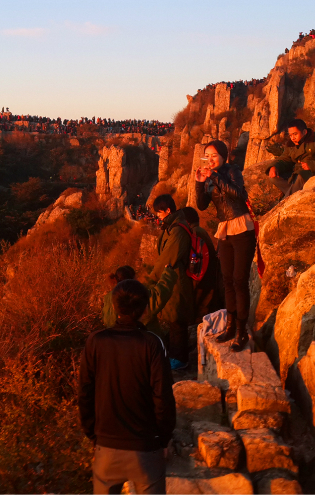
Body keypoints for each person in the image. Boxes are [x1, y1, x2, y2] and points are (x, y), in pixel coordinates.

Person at [79, 279, 176, 494]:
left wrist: (93, 435)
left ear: (114, 307)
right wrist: (164, 437)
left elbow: (85, 393)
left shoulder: (95, 341)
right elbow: (163, 396)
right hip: (146, 449)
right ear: (143, 310)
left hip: (106, 448)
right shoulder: (152, 343)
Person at [193, 141, 255, 351]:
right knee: (227, 280)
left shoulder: (232, 171)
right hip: (225, 230)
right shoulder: (210, 178)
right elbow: (201, 205)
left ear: (223, 156)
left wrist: (214, 176)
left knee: (240, 280)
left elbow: (239, 195)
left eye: (213, 155)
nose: (210, 159)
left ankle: (241, 331)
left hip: (242, 226)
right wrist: (200, 183)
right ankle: (230, 326)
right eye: (207, 156)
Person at [148, 195, 194, 370]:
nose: (158, 216)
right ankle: (176, 356)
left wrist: (150, 280)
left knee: (177, 319)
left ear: (168, 211)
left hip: (176, 279)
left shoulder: (178, 231)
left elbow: (167, 257)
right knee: (174, 319)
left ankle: (180, 359)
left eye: (159, 212)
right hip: (172, 277)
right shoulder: (173, 226)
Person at [266, 119, 315, 197]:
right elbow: (285, 158)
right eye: (290, 135)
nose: (292, 138)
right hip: (296, 173)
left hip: (312, 172)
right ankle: (292, 194)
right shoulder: (291, 144)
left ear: (304, 132)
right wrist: (275, 166)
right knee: (273, 177)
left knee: (301, 176)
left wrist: (311, 165)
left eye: (295, 134)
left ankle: (285, 201)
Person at [100, 266, 179, 337]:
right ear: (133, 279)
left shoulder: (108, 298)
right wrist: (168, 273)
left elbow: (107, 322)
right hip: (143, 340)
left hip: (117, 343)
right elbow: (159, 295)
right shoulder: (134, 294)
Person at [180, 207, 224, 322]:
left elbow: (197, 263)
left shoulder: (195, 234)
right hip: (209, 281)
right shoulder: (200, 231)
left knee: (202, 315)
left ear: (187, 221)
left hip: (202, 284)